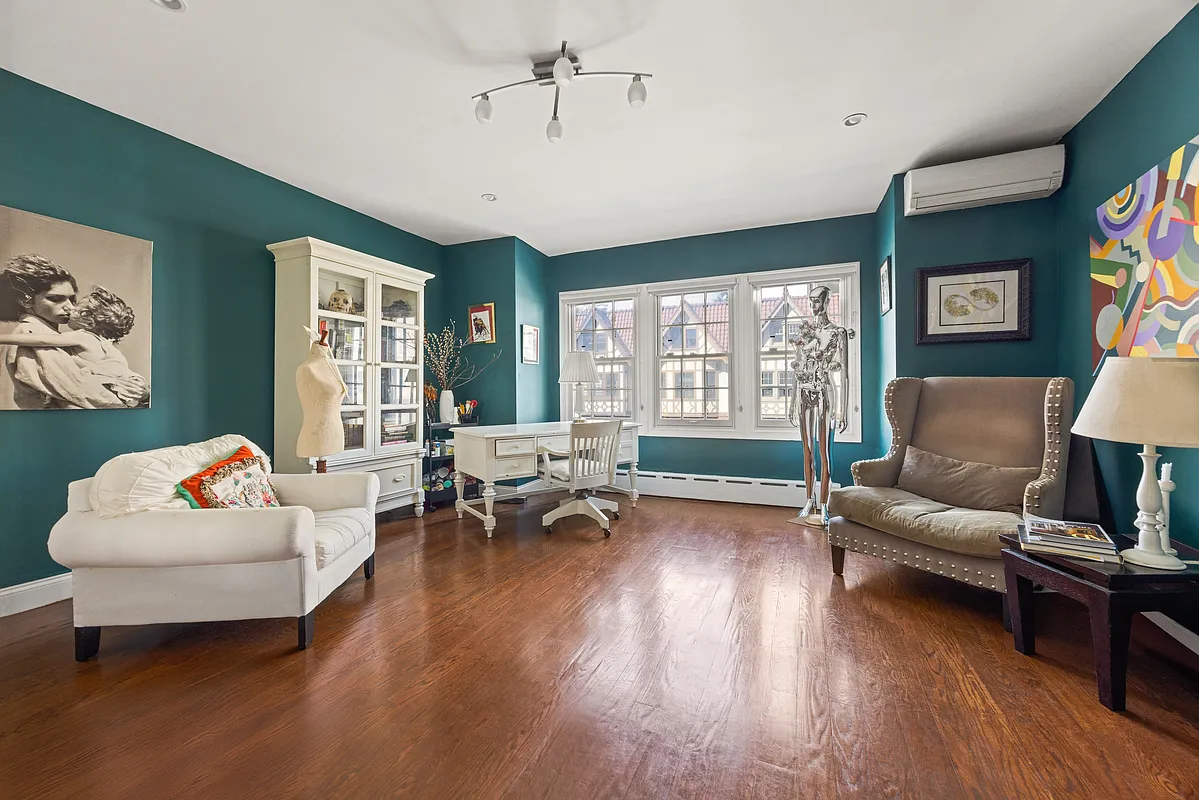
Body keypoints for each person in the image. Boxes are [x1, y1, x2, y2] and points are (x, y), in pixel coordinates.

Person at [0, 254, 139, 409]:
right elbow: (79, 390)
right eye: (56, 299)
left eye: (72, 299)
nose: (70, 307)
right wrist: (134, 401)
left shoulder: (56, 335)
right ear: (26, 300)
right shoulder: (30, 331)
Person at [787, 285, 852, 527]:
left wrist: (843, 410)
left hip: (825, 391)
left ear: (827, 302)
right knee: (807, 451)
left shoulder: (838, 333)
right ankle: (808, 499)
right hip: (804, 392)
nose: (813, 305)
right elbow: (797, 369)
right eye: (811, 300)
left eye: (817, 300)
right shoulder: (805, 332)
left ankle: (824, 504)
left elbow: (844, 373)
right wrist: (793, 401)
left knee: (824, 452)